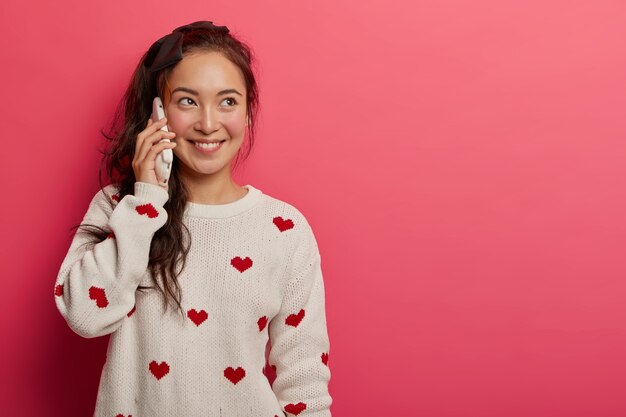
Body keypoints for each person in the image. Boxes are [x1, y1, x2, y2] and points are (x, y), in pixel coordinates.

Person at [53, 21, 332, 417]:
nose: (207, 122)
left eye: (228, 101)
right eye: (187, 101)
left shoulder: (284, 229)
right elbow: (84, 316)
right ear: (157, 112)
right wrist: (147, 199)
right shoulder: (121, 208)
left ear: (249, 112)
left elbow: (305, 378)